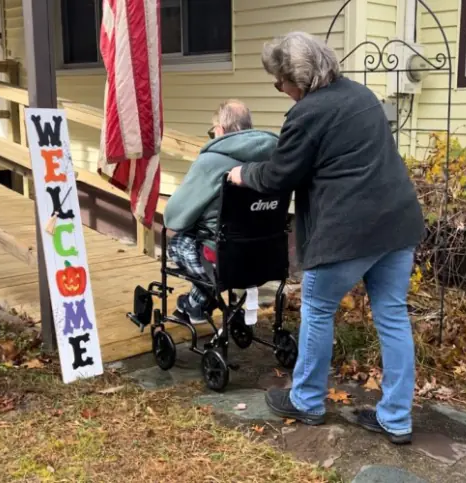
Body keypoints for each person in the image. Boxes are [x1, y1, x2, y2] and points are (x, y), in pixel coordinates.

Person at [228, 32, 424, 444]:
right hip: (398, 222)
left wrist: (242, 174)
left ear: (295, 78)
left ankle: (307, 401)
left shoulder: (308, 113)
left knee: (317, 308)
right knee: (392, 316)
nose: (280, 91)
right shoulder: (360, 95)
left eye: (279, 83)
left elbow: (280, 174)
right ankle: (397, 418)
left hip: (349, 231)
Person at [163, 100, 278, 324]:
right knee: (215, 246)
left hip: (224, 259)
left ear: (221, 130)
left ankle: (196, 304)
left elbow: (174, 216)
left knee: (178, 244)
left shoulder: (211, 162)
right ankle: (197, 304)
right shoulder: (276, 159)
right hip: (266, 257)